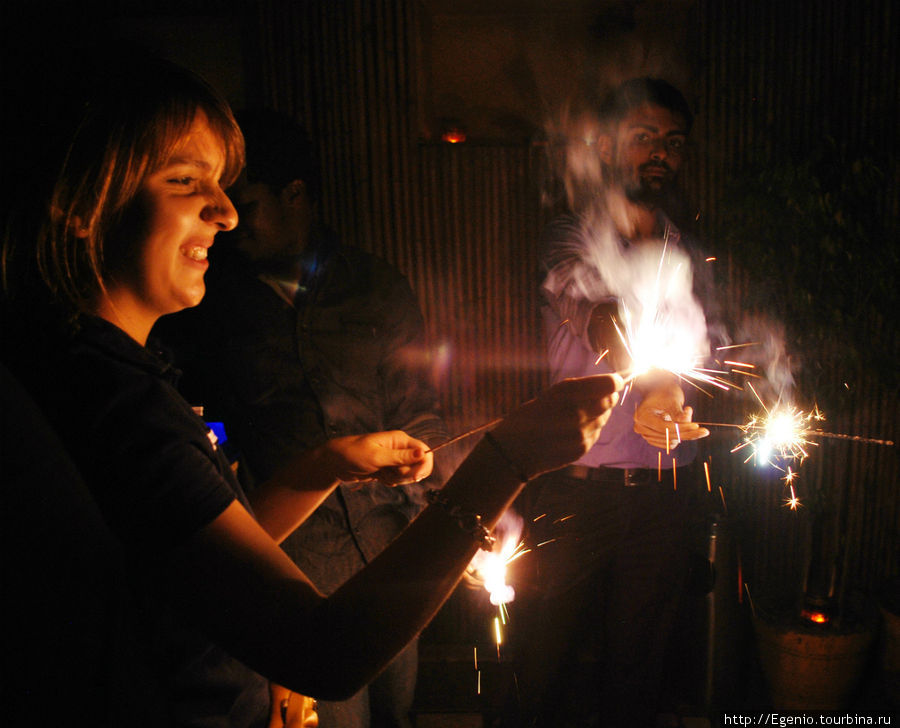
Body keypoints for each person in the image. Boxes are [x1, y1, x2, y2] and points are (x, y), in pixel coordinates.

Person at [0, 53, 622, 728]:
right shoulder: (116, 406)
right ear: (79, 206)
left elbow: (190, 549)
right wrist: (508, 462)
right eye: (185, 182)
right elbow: (322, 652)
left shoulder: (102, 369)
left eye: (225, 186)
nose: (225, 214)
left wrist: (328, 464)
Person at [153, 107, 450, 728]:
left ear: (296, 196)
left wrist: (426, 485)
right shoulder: (206, 304)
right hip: (290, 573)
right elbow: (203, 443)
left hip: (385, 560)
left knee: (398, 714)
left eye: (246, 202)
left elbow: (421, 408)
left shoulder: (376, 286)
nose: (229, 222)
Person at [502, 78, 714, 728]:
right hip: (577, 490)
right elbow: (593, 310)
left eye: (672, 142)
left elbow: (713, 354)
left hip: (665, 494)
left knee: (637, 670)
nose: (660, 154)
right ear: (604, 145)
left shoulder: (687, 248)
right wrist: (650, 374)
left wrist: (684, 389)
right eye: (643, 137)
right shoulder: (571, 235)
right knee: (541, 661)